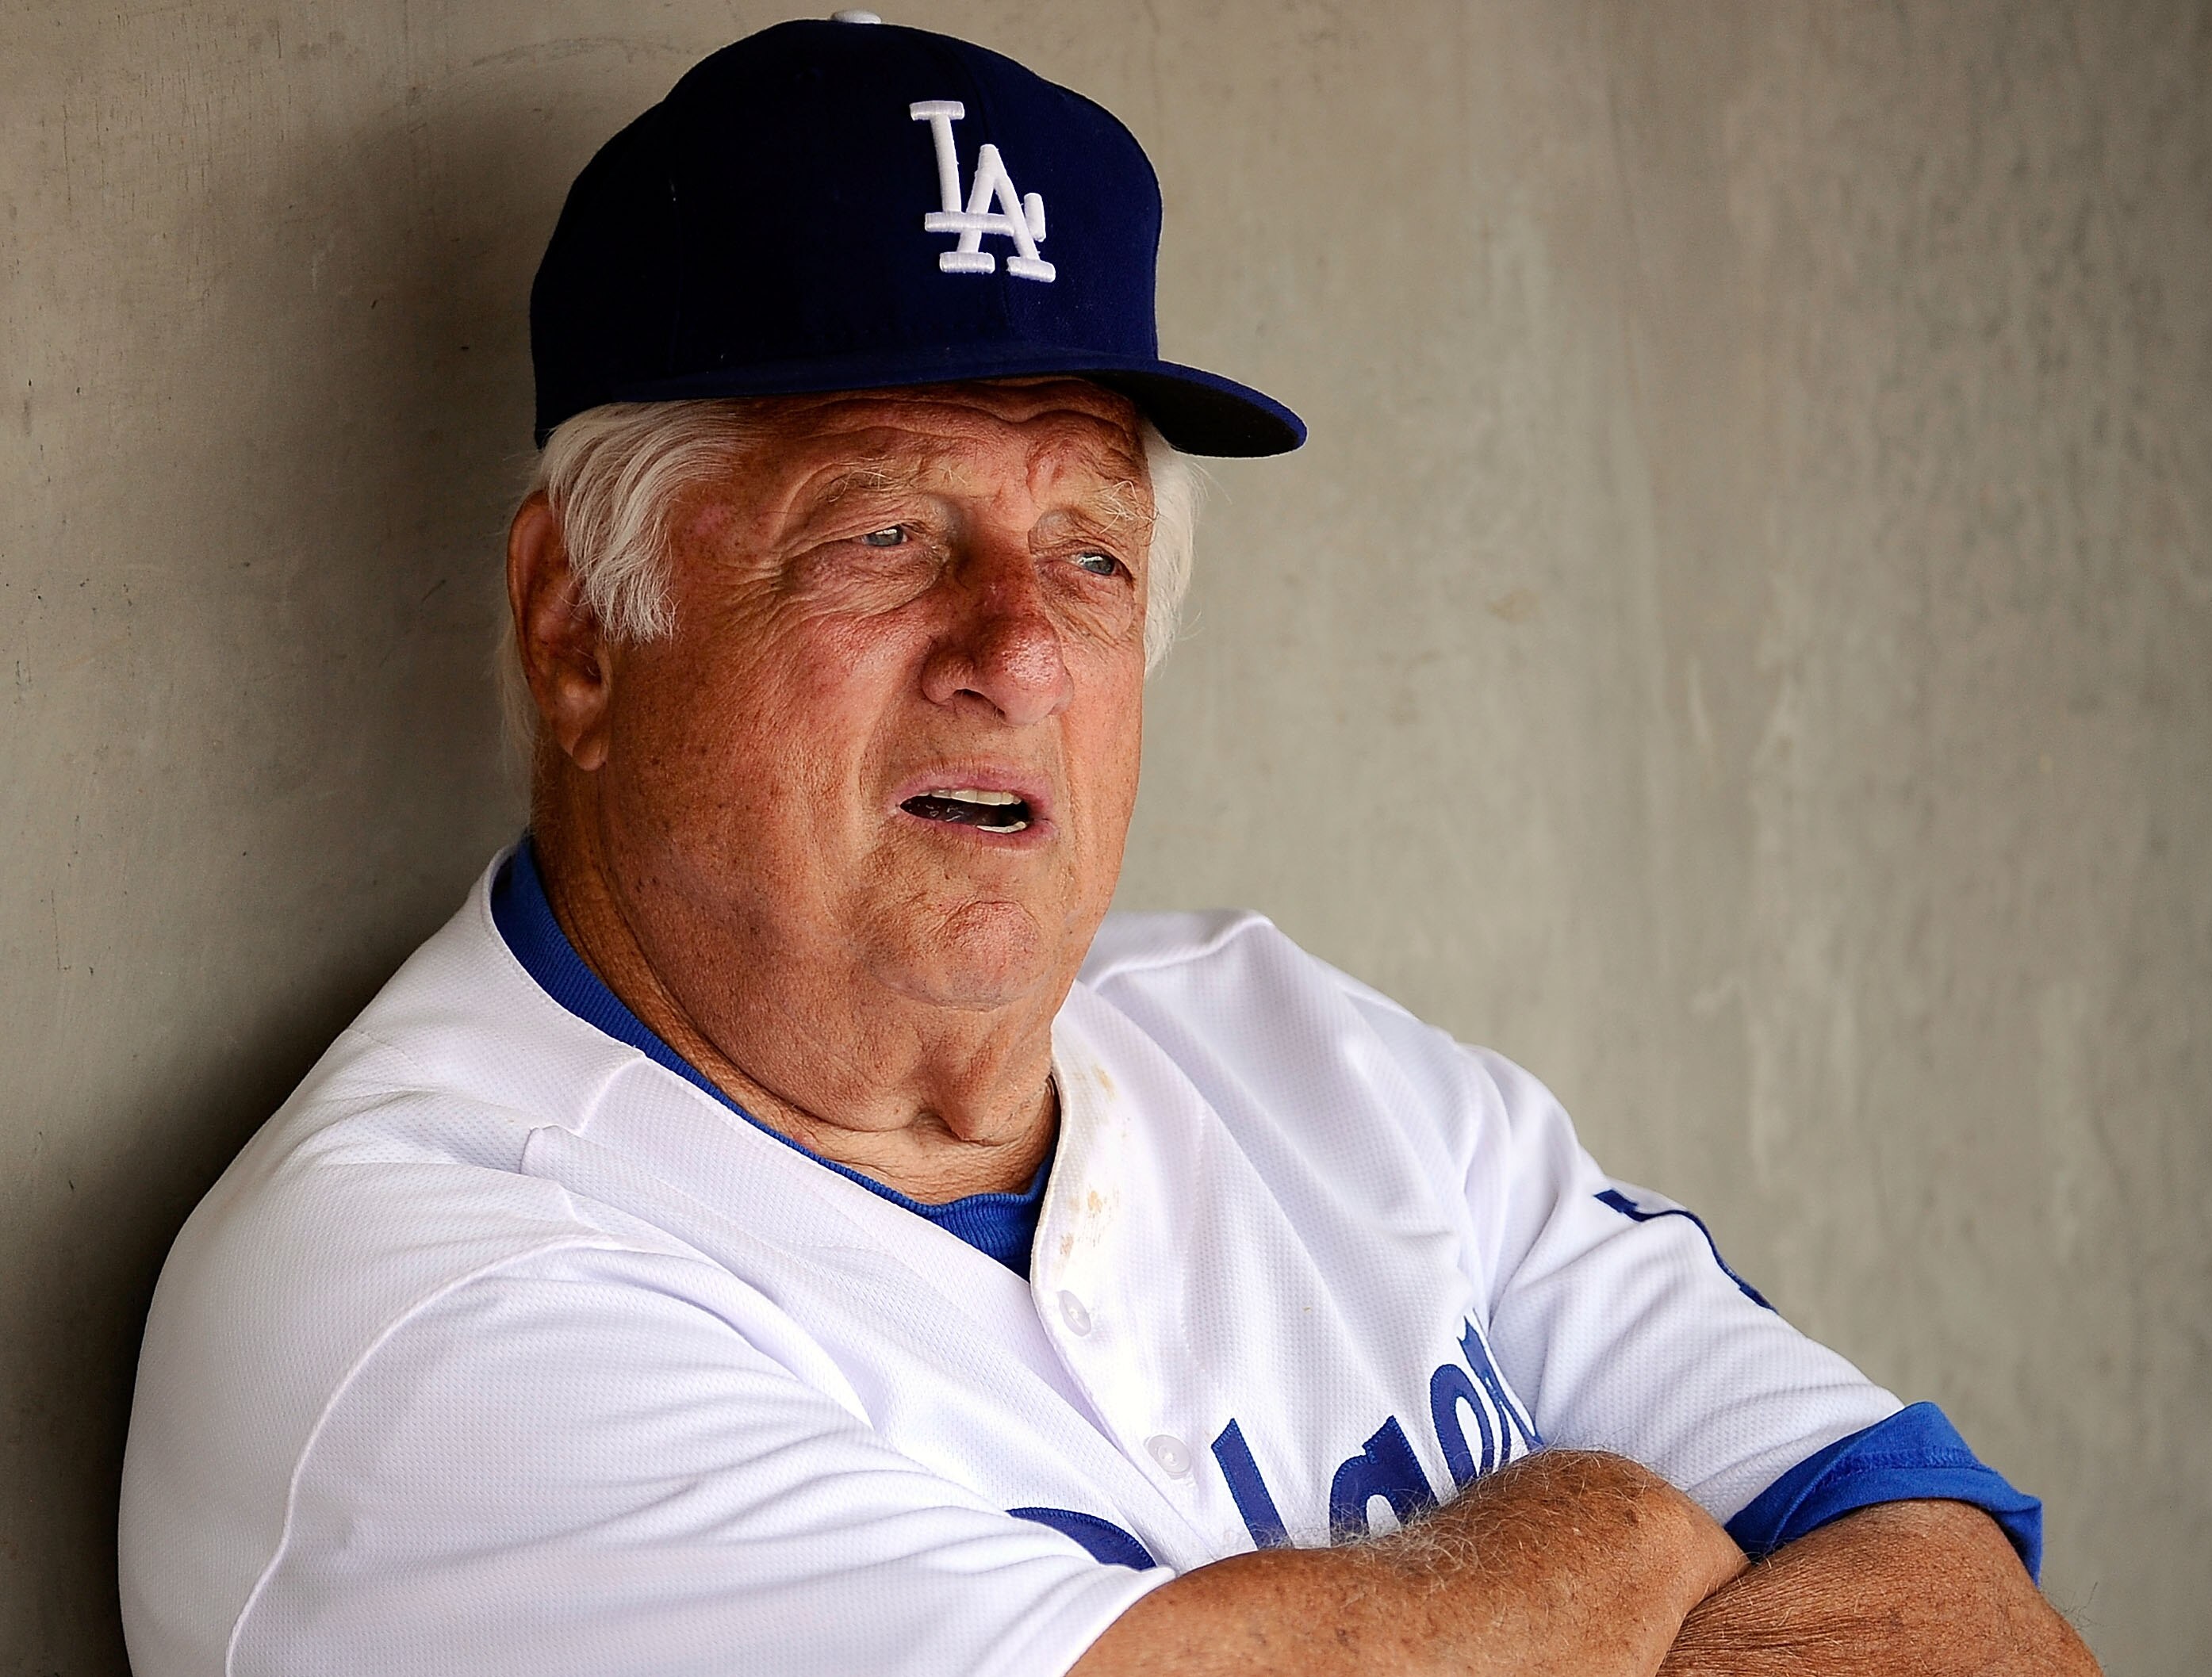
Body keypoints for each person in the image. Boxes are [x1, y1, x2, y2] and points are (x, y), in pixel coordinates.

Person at [119, 16, 2099, 1676]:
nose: (1017, 652)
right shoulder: (418, 1320)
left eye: (1091, 552)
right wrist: (1616, 1546)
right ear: (578, 623)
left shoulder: (1299, 1050)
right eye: (885, 532)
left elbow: (1958, 1590)